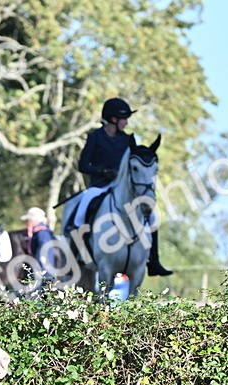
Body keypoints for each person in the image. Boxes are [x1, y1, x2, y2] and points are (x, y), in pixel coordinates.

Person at [69, 97, 172, 277]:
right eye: (124, 119)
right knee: (80, 214)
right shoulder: (95, 137)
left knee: (152, 217)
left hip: (123, 188)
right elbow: (83, 165)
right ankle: (75, 257)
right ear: (113, 119)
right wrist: (102, 171)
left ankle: (154, 261)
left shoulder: (127, 140)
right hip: (99, 186)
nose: (127, 122)